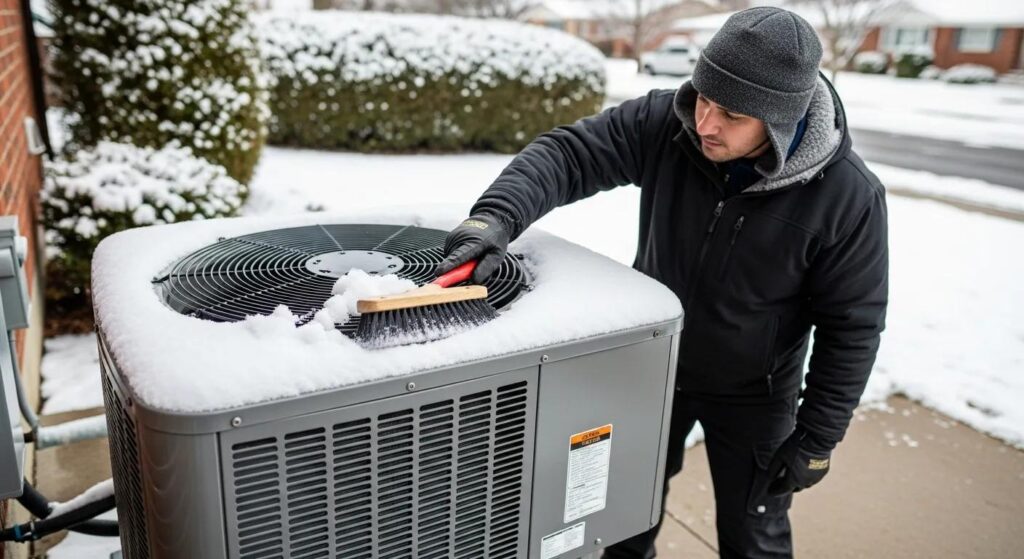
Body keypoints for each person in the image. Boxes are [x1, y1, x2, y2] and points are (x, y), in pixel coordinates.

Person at [436, 6, 888, 559]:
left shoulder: (847, 197)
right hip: (653, 367)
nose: (705, 124)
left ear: (780, 122)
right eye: (703, 98)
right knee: (624, 521)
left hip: (755, 394)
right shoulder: (668, 125)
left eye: (731, 115)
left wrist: (817, 438)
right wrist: (493, 219)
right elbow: (569, 154)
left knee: (755, 539)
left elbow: (853, 326)